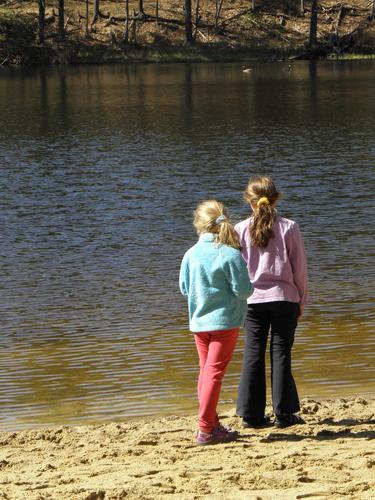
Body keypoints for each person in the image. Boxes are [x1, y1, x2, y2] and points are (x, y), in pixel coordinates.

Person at [235, 176, 308, 429]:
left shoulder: (239, 229)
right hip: (285, 298)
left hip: (252, 301)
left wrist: (237, 301)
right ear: (276, 198)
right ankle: (284, 414)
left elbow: (237, 270)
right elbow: (299, 270)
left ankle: (250, 415)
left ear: (249, 201)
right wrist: (301, 300)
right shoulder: (289, 227)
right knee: (281, 354)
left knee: (253, 354)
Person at [179, 200, 253, 445]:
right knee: (214, 374)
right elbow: (244, 291)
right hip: (225, 322)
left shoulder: (190, 254)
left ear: (198, 225)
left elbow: (184, 289)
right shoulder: (230, 254)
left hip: (199, 322)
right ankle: (206, 428)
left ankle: (210, 425)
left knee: (206, 372)